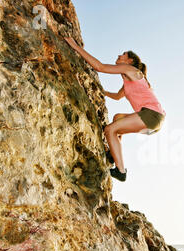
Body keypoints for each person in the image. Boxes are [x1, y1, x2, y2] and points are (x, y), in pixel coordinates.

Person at [64, 37, 166, 182]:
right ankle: (113, 153)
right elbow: (118, 97)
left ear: (129, 61)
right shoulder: (128, 81)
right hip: (154, 122)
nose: (119, 55)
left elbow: (101, 67)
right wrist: (102, 91)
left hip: (152, 116)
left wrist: (75, 46)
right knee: (118, 117)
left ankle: (121, 171)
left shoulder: (131, 70)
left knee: (110, 130)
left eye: (123, 54)